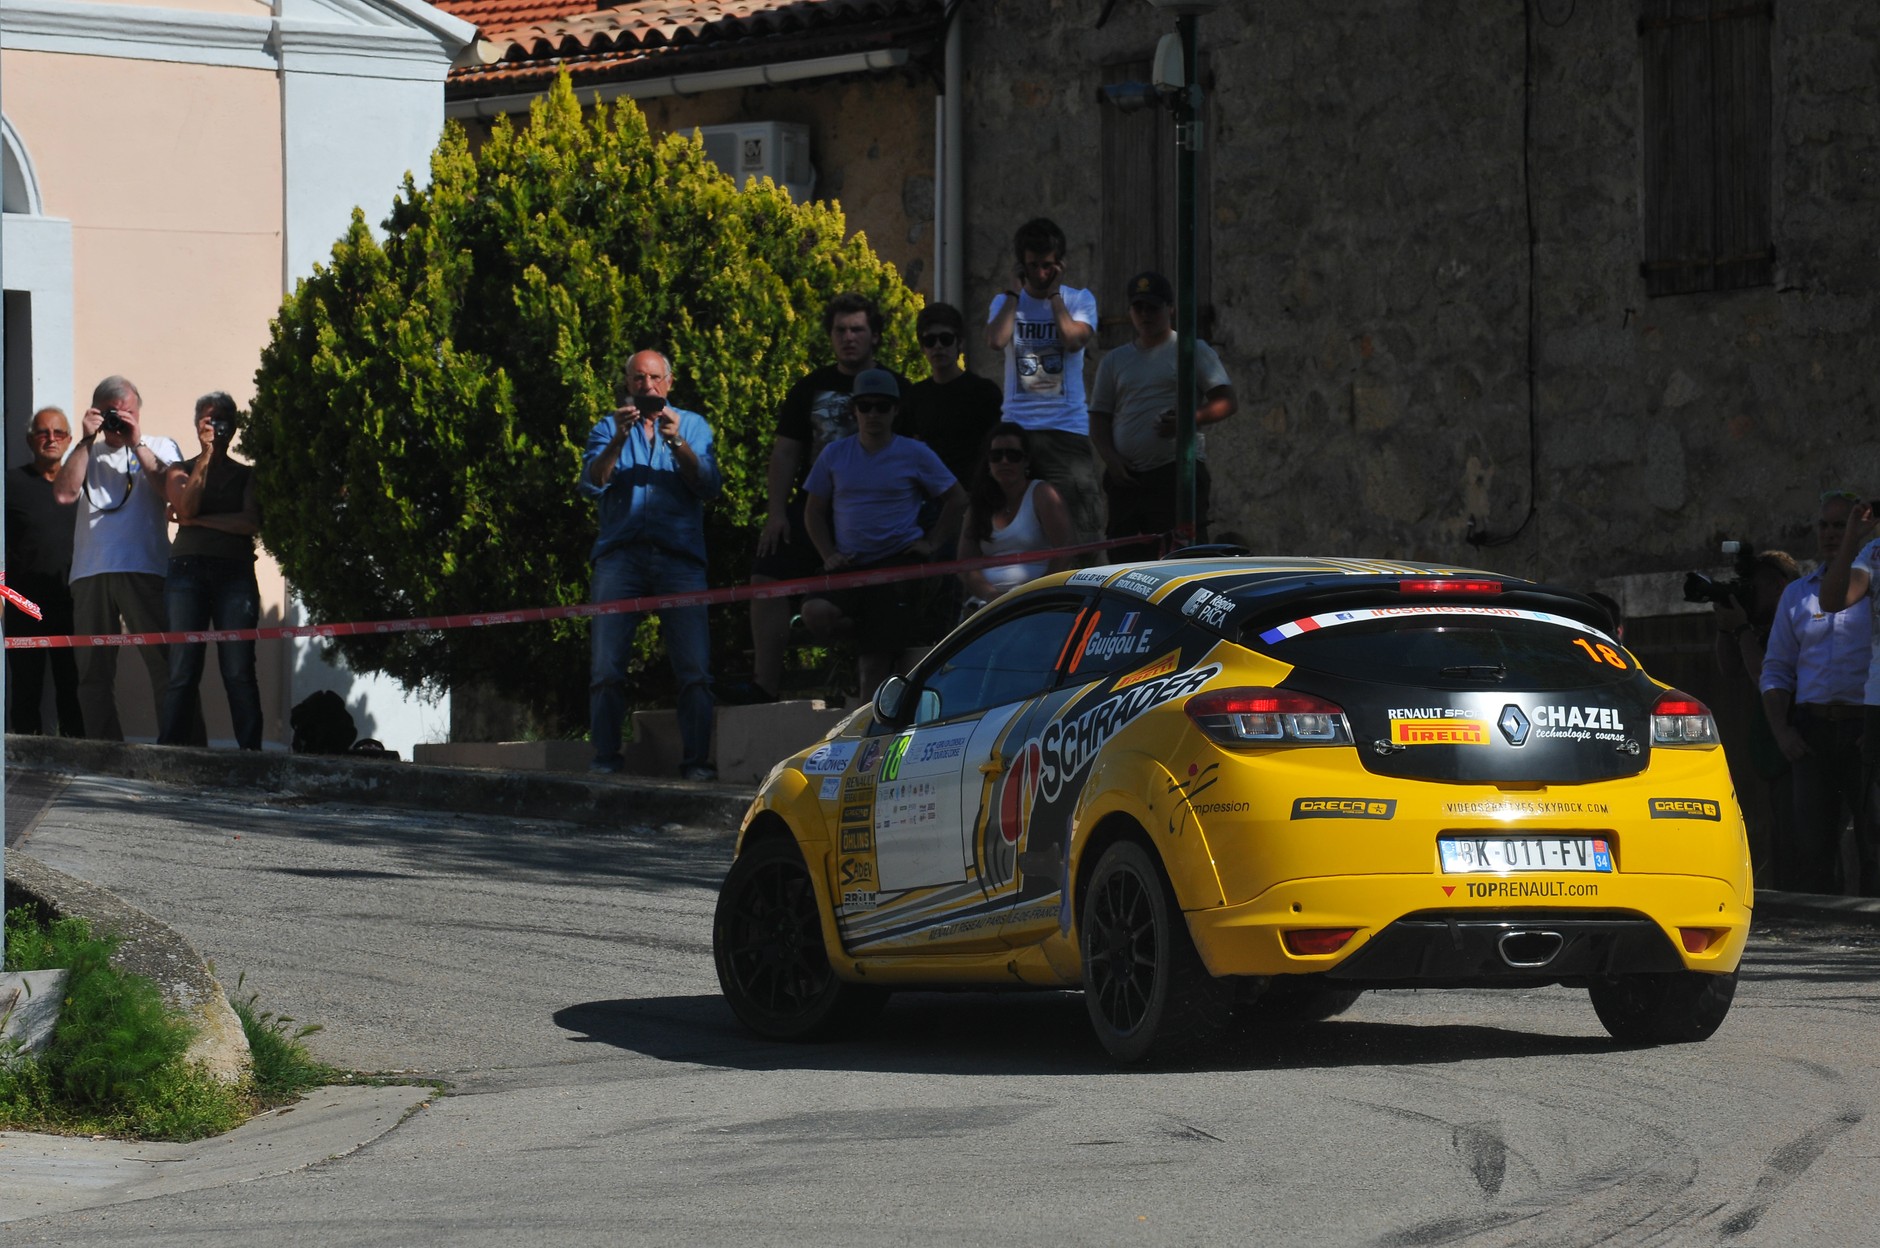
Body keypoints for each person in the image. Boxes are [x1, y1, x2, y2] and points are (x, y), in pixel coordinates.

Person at [739, 293, 909, 704]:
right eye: (840, 330)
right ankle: (764, 685)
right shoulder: (808, 388)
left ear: (875, 336)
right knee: (767, 572)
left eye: (857, 330)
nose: (848, 338)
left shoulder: (895, 387)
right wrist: (776, 512)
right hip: (817, 503)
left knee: (883, 588)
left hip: (875, 509)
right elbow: (785, 452)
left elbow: (914, 453)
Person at [581, 350, 722, 779]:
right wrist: (619, 441)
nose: (648, 387)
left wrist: (677, 442)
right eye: (639, 379)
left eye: (655, 378)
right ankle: (605, 761)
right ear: (627, 383)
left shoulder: (693, 425)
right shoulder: (608, 427)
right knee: (606, 668)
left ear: (670, 381)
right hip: (621, 557)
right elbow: (591, 483)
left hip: (679, 557)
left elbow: (709, 485)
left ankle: (697, 763)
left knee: (695, 667)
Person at [801, 369, 966, 695]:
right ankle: (872, 631)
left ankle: (868, 738)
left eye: (882, 406)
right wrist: (828, 555)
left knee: (872, 670)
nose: (873, 413)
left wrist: (931, 544)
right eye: (865, 406)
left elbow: (958, 499)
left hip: (896, 567)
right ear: (854, 410)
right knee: (814, 613)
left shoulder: (914, 452)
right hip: (850, 567)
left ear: (895, 410)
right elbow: (813, 512)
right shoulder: (834, 454)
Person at [52, 375, 192, 741]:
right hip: (89, 572)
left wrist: (137, 443)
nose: (119, 421)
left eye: (126, 413)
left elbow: (172, 492)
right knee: (92, 673)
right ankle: (103, 753)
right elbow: (65, 495)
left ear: (137, 412)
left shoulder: (159, 446)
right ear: (97, 413)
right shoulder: (87, 453)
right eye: (112, 414)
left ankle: (182, 751)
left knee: (165, 664)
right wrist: (85, 439)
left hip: (145, 567)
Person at [1757, 492, 1874, 893]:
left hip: (1864, 727)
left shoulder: (1871, 589)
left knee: (1873, 845)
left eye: (1840, 525)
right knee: (1811, 847)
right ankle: (1819, 945)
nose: (1829, 533)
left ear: (1861, 529)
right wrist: (1782, 731)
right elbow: (1776, 668)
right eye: (1823, 525)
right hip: (1811, 731)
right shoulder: (1797, 594)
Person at [1089, 270, 1237, 553]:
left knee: (1181, 558)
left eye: (1153, 307)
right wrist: (1112, 460)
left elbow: (1227, 400)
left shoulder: (1192, 349)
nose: (1145, 314)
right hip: (1128, 479)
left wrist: (1187, 421)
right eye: (1138, 307)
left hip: (1175, 473)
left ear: (1170, 309)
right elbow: (1099, 418)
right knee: (1125, 559)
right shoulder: (1115, 360)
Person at [985, 217, 1104, 543]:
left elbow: (1072, 339)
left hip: (1065, 432)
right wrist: (1013, 293)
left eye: (1048, 266)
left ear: (1060, 265)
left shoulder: (1079, 300)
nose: (1040, 274)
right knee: (1019, 533)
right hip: (1018, 433)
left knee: (1080, 533)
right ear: (1021, 265)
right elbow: (996, 340)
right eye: (1033, 265)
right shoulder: (1004, 302)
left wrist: (1054, 296)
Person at [158, 392, 263, 750]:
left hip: (235, 574)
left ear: (233, 428)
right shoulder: (180, 469)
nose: (216, 427)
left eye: (222, 420)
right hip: (187, 573)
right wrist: (205, 456)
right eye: (208, 420)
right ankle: (170, 753)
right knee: (182, 670)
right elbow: (185, 501)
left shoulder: (246, 475)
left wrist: (196, 520)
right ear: (196, 424)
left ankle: (251, 755)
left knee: (238, 670)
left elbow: (249, 522)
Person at [1713, 548, 1801, 890]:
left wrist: (1743, 631)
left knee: (1801, 839)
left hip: (1797, 745)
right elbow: (1729, 669)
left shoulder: (1798, 622)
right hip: (1771, 754)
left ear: (1780, 586)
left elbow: (1765, 676)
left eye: (1755, 589)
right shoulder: (1758, 628)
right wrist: (1726, 629)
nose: (1749, 596)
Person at [6, 406, 83, 736]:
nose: (51, 439)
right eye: (42, 432)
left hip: (75, 600)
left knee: (75, 685)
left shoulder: (84, 485)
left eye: (58, 433)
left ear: (69, 440)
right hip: (25, 604)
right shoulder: (10, 483)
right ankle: (25, 760)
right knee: (26, 687)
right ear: (29, 440)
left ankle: (78, 753)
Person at [958, 423, 1076, 616]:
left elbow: (1065, 550)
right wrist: (991, 596)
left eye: (1013, 455)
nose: (1004, 461)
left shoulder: (1042, 494)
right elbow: (965, 564)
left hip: (1037, 599)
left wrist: (1033, 595)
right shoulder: (979, 504)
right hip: (987, 603)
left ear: (1026, 461)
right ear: (988, 462)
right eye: (996, 456)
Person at [904, 302, 1004, 490]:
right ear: (922, 347)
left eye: (946, 339)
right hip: (931, 496)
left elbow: (995, 448)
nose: (938, 346)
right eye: (930, 341)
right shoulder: (915, 396)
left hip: (975, 493)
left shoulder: (983, 392)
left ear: (960, 342)